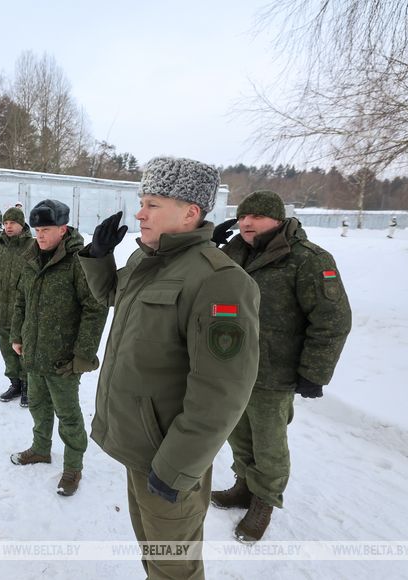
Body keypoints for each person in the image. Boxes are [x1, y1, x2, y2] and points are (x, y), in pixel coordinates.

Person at [78, 156, 260, 579]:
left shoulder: (218, 279)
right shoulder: (148, 260)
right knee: (153, 554)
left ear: (190, 212)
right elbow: (114, 296)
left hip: (168, 459)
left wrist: (176, 467)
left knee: (175, 568)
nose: (140, 213)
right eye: (142, 202)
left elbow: (222, 393)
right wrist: (99, 256)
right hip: (139, 447)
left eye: (153, 204)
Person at [210, 190, 351, 543]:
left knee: (269, 444)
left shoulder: (308, 259)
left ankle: (264, 500)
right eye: (243, 217)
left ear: (278, 219)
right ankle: (244, 485)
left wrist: (314, 372)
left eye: (256, 217)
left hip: (274, 374)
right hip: (231, 366)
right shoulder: (233, 253)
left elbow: (332, 320)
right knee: (237, 433)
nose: (246, 223)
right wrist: (208, 246)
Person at [9, 200, 108, 497]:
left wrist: (82, 355)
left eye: (46, 230)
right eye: (37, 230)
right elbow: (21, 300)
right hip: (34, 353)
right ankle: (41, 448)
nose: (39, 235)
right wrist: (17, 335)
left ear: (63, 229)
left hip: (63, 359)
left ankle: (73, 468)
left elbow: (95, 309)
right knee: (38, 406)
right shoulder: (32, 256)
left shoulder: (79, 261)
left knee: (68, 416)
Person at [0, 206, 34, 406]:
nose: (8, 226)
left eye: (12, 223)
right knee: (7, 350)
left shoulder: (33, 247)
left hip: (24, 312)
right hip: (0, 310)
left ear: (21, 224)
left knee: (24, 349)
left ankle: (28, 385)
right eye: (5, 223)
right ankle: (15, 383)